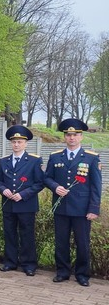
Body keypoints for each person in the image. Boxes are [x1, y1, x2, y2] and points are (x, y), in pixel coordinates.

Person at [44, 118, 102, 287]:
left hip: (82, 209)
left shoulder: (91, 158)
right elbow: (46, 178)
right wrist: (55, 187)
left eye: (75, 135)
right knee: (61, 242)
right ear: (64, 137)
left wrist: (94, 208)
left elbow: (96, 186)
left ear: (81, 137)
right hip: (61, 207)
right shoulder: (55, 157)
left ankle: (82, 274)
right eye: (68, 135)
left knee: (82, 243)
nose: (71, 138)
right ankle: (62, 271)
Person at [0, 125, 44, 276]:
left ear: (26, 143)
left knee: (27, 235)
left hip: (26, 204)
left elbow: (40, 183)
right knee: (9, 234)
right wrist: (4, 190)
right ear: (11, 143)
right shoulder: (4, 161)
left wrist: (23, 194)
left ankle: (29, 264)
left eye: (20, 142)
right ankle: (10, 262)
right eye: (14, 142)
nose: (16, 144)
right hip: (8, 204)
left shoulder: (34, 161)